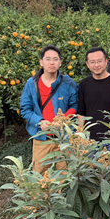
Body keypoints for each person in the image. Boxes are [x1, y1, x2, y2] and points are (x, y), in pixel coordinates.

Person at [20, 45, 78, 173]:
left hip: (63, 139)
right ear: (41, 62)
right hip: (41, 140)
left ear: (60, 62)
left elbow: (75, 105)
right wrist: (39, 121)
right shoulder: (32, 83)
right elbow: (25, 109)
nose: (52, 62)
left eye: (55, 59)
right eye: (48, 59)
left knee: (65, 176)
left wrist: (63, 120)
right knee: (40, 176)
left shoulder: (68, 83)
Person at [77, 47, 110, 145]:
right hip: (90, 141)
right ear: (87, 64)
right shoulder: (84, 84)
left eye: (99, 61)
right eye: (92, 62)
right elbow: (81, 113)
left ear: (106, 61)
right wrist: (80, 137)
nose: (96, 65)